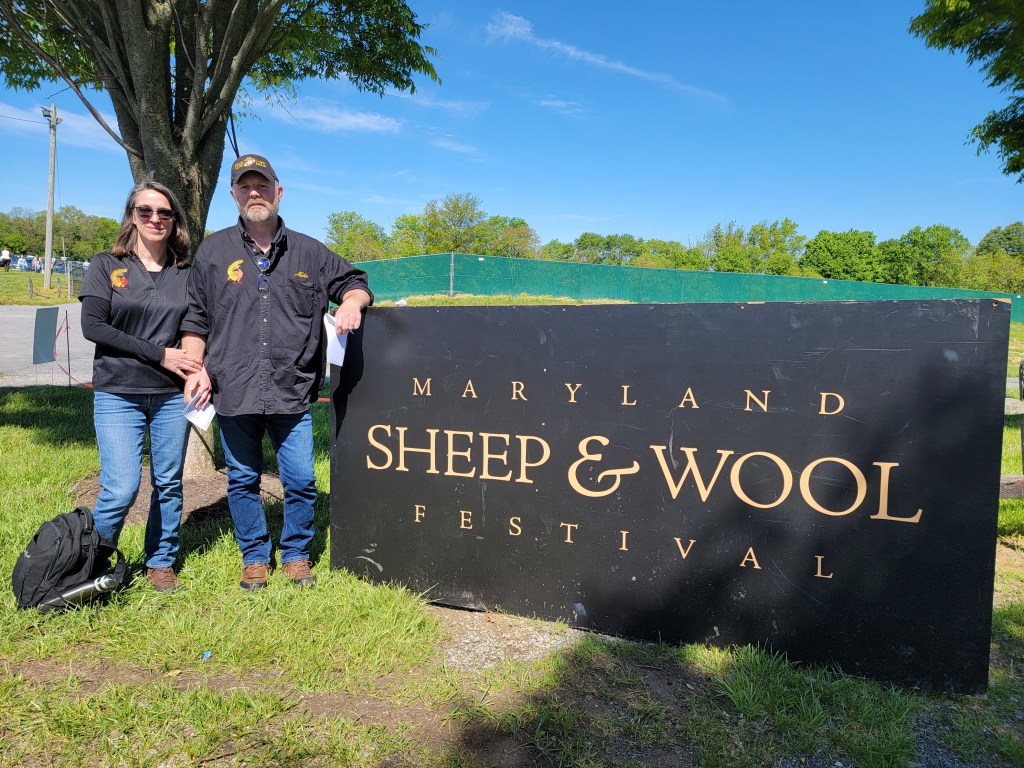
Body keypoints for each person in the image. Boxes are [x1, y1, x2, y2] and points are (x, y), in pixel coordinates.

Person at [181, 154, 372, 591]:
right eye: (245, 187)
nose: (254, 193)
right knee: (243, 479)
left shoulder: (309, 251)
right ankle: (254, 556)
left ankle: (296, 554)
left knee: (301, 479)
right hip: (233, 387)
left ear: (278, 192)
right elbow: (195, 317)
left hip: (292, 388)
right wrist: (195, 368)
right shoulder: (213, 252)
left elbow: (355, 282)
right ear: (234, 195)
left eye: (262, 185)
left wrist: (350, 302)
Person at [79, 180, 203, 592]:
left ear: (175, 220)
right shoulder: (106, 265)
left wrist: (194, 368)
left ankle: (161, 560)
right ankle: (91, 564)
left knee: (168, 483)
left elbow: (194, 326)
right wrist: (160, 354)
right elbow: (94, 327)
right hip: (118, 392)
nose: (155, 219)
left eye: (164, 212)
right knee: (121, 487)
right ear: (132, 216)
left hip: (170, 395)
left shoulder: (186, 273)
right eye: (145, 211)